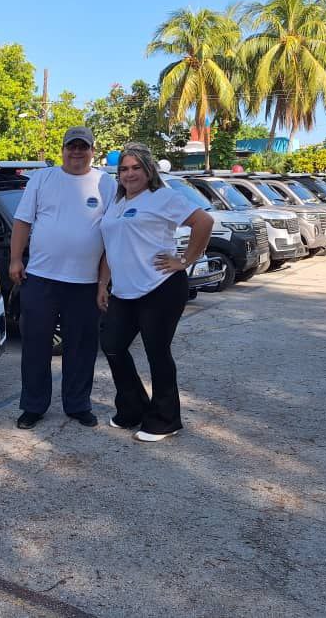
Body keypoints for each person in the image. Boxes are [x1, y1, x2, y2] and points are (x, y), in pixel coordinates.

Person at [97, 142, 213, 442]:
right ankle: (133, 408)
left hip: (160, 287)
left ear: (149, 171)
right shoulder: (117, 203)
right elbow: (112, 246)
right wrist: (102, 283)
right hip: (123, 291)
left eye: (136, 168)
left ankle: (165, 420)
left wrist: (186, 259)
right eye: (124, 168)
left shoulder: (162, 197)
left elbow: (204, 221)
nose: (129, 173)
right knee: (112, 344)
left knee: (156, 353)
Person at [10, 126, 117, 429]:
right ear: (63, 149)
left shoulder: (104, 182)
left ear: (93, 151)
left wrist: (102, 283)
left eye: (84, 147)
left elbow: (110, 237)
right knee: (35, 346)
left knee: (81, 348)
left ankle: (77, 405)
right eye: (72, 146)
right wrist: (16, 259)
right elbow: (22, 221)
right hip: (41, 278)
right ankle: (33, 406)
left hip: (84, 284)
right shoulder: (42, 178)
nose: (77, 152)